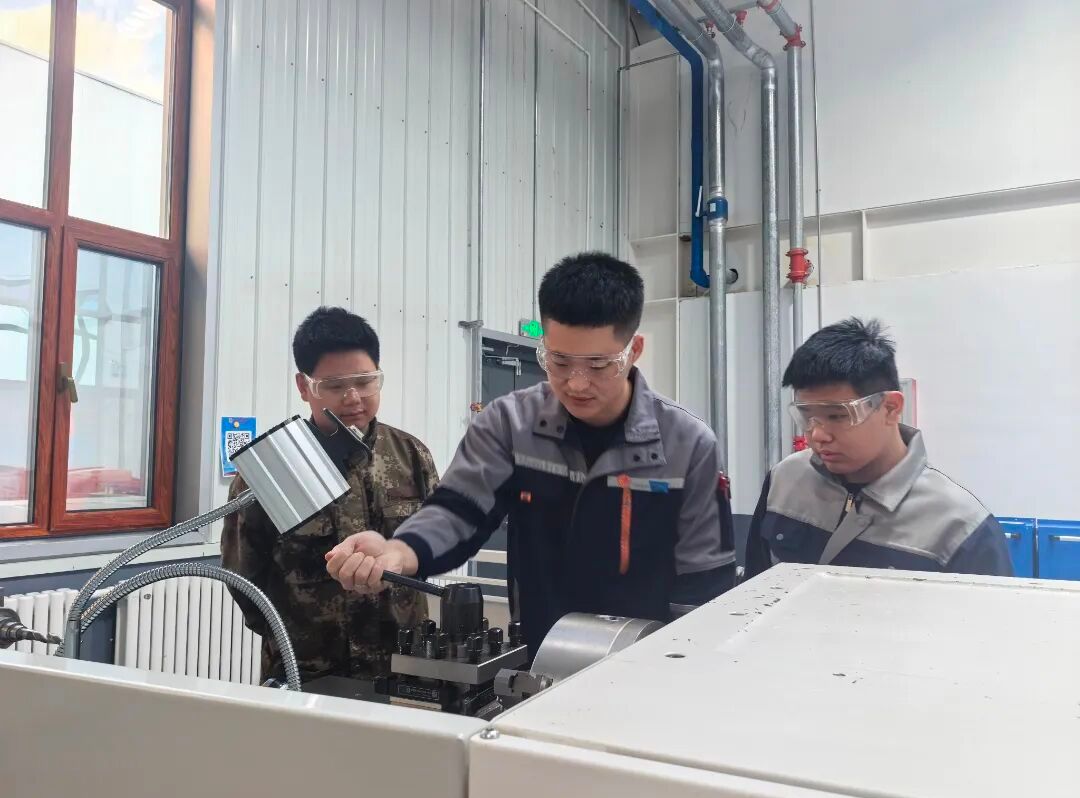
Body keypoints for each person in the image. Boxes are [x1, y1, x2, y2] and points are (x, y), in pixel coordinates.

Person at [325, 252, 737, 656]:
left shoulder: (687, 445)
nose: (576, 384)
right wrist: (399, 552)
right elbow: (457, 512)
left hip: (648, 663)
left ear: (634, 350)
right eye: (558, 361)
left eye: (599, 365)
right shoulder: (510, 425)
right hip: (541, 658)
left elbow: (704, 584)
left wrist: (680, 667)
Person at [221, 307, 438, 683]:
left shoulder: (411, 456)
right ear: (304, 386)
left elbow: (435, 544)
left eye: (365, 382)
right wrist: (294, 638)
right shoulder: (273, 470)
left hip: (403, 667)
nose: (353, 398)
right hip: (307, 672)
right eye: (334, 387)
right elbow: (243, 576)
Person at [743, 317, 1012, 579]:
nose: (818, 435)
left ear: (891, 408)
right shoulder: (785, 480)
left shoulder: (959, 528)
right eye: (807, 416)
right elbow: (753, 592)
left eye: (837, 415)